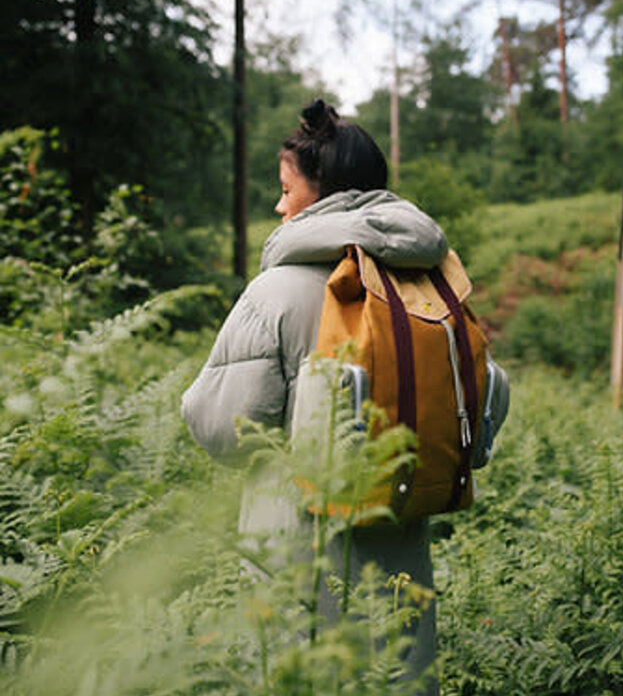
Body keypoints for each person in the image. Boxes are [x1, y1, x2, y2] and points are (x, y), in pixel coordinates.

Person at [181, 98, 446, 694]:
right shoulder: (424, 284)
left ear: (324, 196)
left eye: (286, 190)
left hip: (298, 551)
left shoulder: (277, 291)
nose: (279, 207)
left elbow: (222, 429)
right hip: (400, 547)